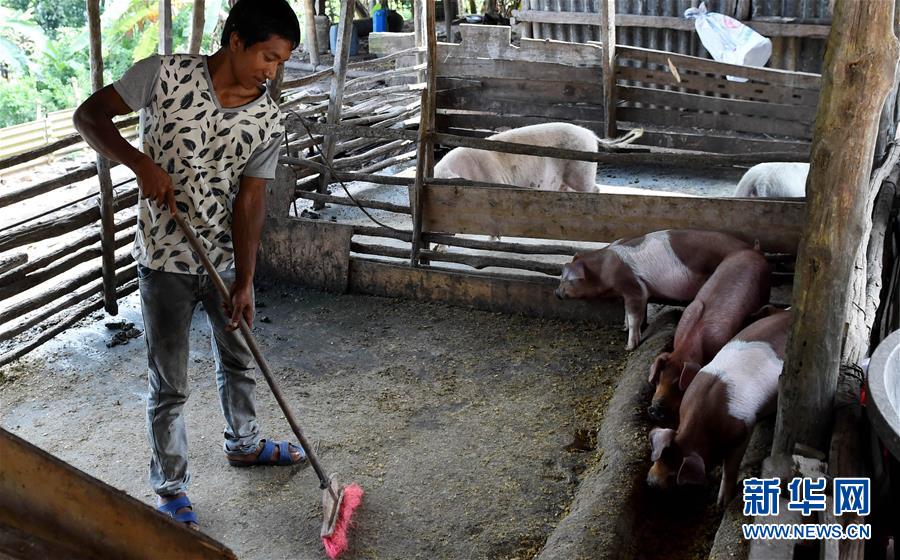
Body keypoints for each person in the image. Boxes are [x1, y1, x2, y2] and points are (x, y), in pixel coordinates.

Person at [73, 0, 303, 530]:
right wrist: (139, 163)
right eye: (267, 56)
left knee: (240, 360)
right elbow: (88, 117)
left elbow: (250, 201)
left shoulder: (267, 117)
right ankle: (172, 489)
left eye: (281, 62)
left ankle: (244, 444)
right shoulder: (163, 73)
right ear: (236, 40)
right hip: (165, 259)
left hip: (223, 260)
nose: (272, 71)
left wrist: (245, 280)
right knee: (170, 383)